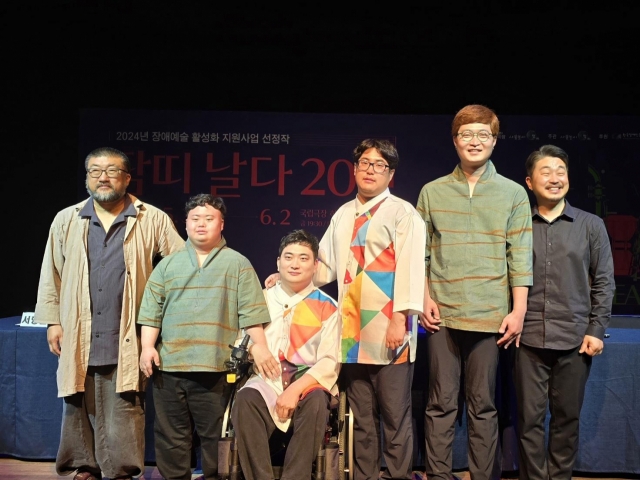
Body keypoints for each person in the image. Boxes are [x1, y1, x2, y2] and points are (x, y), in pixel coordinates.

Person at [267, 139, 426, 479]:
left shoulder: (403, 213)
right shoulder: (343, 214)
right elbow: (323, 265)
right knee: (362, 418)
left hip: (389, 330)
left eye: (379, 165)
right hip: (351, 334)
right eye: (365, 164)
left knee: (395, 418)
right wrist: (284, 277)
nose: (371, 170)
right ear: (353, 170)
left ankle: (397, 475)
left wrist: (401, 318)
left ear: (391, 174)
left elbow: (412, 268)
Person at [34, 147, 185, 480]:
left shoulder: (151, 218)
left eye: (112, 171)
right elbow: (52, 273)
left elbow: (183, 263)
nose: (103, 177)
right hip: (79, 327)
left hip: (126, 328)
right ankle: (82, 467)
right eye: (95, 171)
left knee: (125, 405)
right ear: (87, 177)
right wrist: (53, 321)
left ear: (127, 178)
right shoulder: (67, 219)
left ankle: (121, 471)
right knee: (77, 399)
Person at [416, 105, 533, 480]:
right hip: (442, 314)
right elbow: (421, 254)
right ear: (455, 140)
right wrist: (424, 298)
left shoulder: (512, 193)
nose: (475, 141)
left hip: (490, 315)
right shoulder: (432, 192)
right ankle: (438, 474)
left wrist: (518, 311)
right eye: (467, 134)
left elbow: (520, 257)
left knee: (483, 405)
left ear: (495, 141)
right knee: (440, 404)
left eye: (484, 135)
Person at [137, 193, 278, 480]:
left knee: (215, 435)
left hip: (215, 367)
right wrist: (147, 347)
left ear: (221, 224)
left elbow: (250, 312)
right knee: (170, 433)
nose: (201, 224)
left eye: (209, 219)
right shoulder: (167, 265)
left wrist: (260, 348)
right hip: (170, 365)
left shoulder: (238, 264)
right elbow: (152, 310)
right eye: (195, 219)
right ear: (185, 224)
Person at [515, 145, 615, 480]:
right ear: (529, 181)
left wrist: (596, 330)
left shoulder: (591, 225)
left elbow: (604, 282)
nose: (555, 178)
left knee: (566, 419)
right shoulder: (517, 224)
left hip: (574, 339)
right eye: (546, 171)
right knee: (527, 421)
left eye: (561, 171)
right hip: (526, 338)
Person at [231, 229, 340, 480]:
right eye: (288, 257)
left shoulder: (328, 306)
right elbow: (240, 338)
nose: (295, 264)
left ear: (315, 265)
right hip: (266, 379)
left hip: (307, 382)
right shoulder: (260, 299)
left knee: (315, 405)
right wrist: (255, 349)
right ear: (278, 262)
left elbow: (329, 361)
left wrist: (294, 390)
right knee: (245, 399)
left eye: (303, 258)